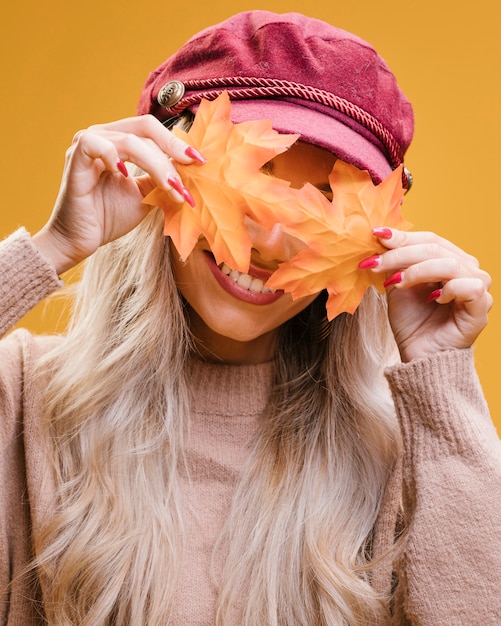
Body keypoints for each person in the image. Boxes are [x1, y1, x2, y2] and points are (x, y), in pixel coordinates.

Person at [0, 9, 499, 626]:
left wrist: (442, 386)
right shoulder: (22, 397)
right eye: (252, 174)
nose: (267, 241)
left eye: (322, 200)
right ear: (154, 163)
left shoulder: (400, 450)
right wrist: (50, 249)